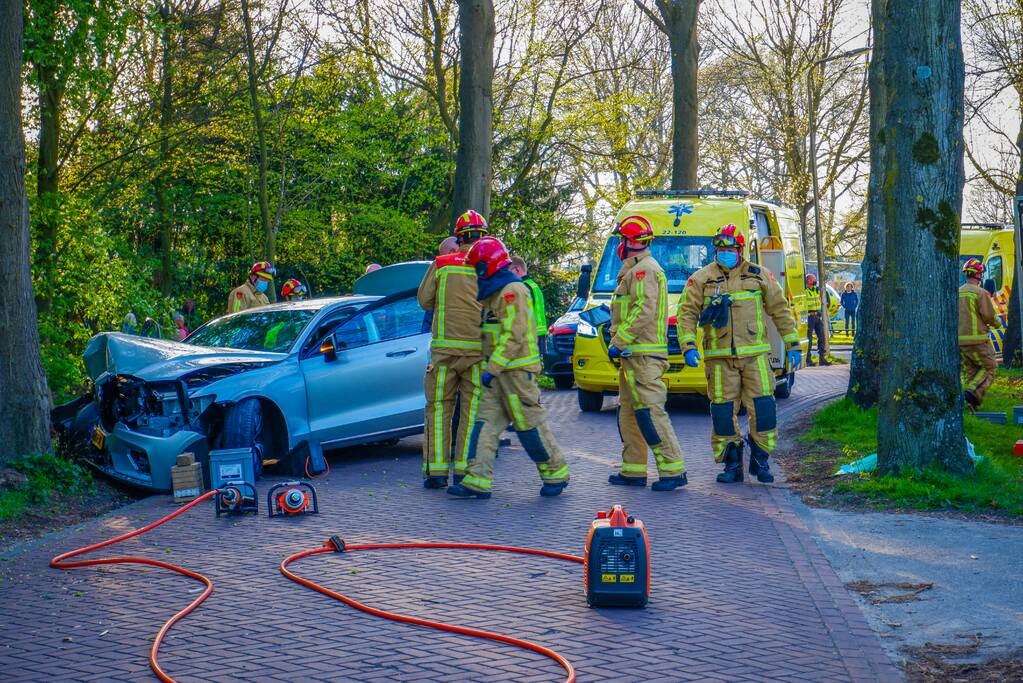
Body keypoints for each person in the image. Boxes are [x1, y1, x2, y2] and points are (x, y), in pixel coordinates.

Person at [677, 223, 802, 484]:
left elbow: (780, 309)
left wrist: (793, 345)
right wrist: (688, 345)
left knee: (764, 408)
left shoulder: (759, 275)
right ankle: (732, 464)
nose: (725, 252)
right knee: (723, 412)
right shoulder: (701, 279)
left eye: (730, 248)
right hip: (719, 358)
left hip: (755, 356)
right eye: (721, 248)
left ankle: (761, 461)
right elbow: (686, 313)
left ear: (740, 249)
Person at [448, 236, 569, 499]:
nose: (476, 274)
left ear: (488, 265)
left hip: (516, 374)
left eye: (478, 267)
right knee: (485, 425)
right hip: (498, 373)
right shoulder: (496, 293)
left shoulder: (513, 291)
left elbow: (514, 335)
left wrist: (494, 367)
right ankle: (477, 480)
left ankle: (556, 474)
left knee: (530, 426)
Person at [604, 215, 688, 491]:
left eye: (622, 239)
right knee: (628, 414)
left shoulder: (645, 271)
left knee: (651, 413)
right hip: (632, 357)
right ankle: (633, 471)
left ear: (630, 241)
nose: (620, 244)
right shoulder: (633, 270)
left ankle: (673, 470)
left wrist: (619, 340)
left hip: (643, 356)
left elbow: (644, 310)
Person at [416, 211, 489, 489]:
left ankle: (436, 473)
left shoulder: (442, 263)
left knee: (438, 410)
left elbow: (424, 300)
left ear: (459, 237)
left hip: (444, 353)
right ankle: (463, 472)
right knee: (470, 413)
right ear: (484, 236)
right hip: (477, 353)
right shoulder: (489, 266)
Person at [959, 258, 998, 410]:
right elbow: (989, 315)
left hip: (961, 341)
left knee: (972, 372)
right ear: (979, 275)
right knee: (990, 367)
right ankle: (971, 392)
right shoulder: (981, 293)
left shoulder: (958, 293)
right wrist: (998, 322)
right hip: (978, 340)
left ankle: (972, 407)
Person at [508, 256, 548, 356]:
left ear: (517, 269)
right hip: (540, 333)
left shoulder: (522, 287)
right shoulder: (533, 285)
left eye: (509, 271)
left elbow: (519, 313)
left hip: (530, 335)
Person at [805, 274, 830, 366]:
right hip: (809, 316)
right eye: (813, 280)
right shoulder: (805, 291)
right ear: (809, 281)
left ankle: (822, 359)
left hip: (817, 316)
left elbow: (823, 298)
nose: (815, 281)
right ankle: (808, 359)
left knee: (822, 337)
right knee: (809, 338)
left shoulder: (816, 290)